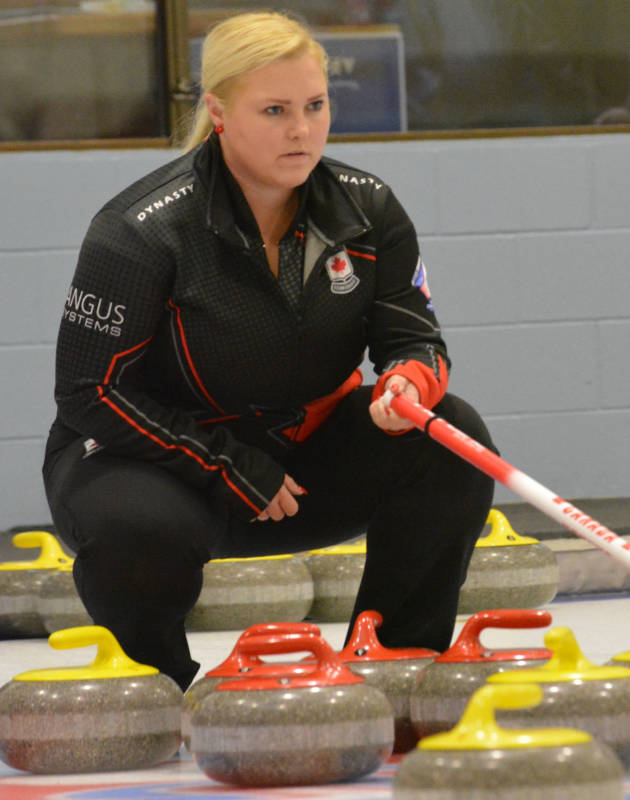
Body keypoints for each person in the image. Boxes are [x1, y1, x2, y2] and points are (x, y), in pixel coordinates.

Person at [41, 11, 496, 691]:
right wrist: (221, 463)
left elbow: (413, 336)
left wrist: (408, 383)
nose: (301, 129)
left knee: (450, 434)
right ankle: (154, 691)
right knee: (139, 533)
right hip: (155, 469)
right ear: (219, 112)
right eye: (275, 110)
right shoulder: (138, 231)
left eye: (315, 106)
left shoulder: (370, 209)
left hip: (295, 470)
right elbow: (88, 392)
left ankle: (399, 670)